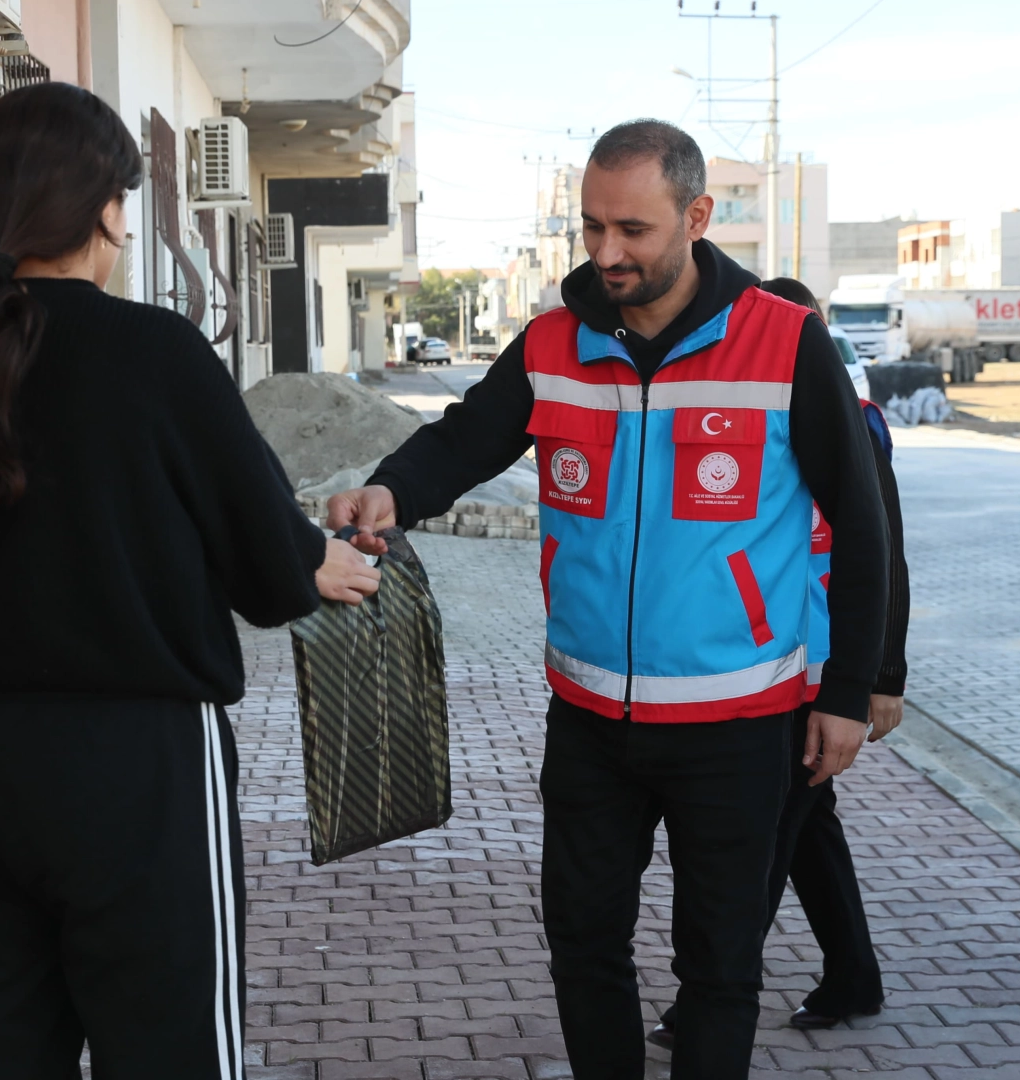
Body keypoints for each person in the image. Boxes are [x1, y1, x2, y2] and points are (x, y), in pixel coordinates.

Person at [327, 120, 888, 1080]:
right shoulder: (554, 341)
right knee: (583, 946)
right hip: (589, 720)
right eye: (591, 227)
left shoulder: (784, 341)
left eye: (632, 229)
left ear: (698, 216)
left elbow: (866, 526)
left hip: (740, 720)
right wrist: (392, 490)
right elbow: (464, 441)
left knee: (719, 967)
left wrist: (851, 691)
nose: (607, 252)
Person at [0, 82, 377, 1079]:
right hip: (136, 773)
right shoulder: (155, 352)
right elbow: (266, 563)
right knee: (170, 1055)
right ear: (106, 210)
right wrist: (320, 560)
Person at [648, 276, 911, 1048]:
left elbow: (884, 550)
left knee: (765, 837)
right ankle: (853, 976)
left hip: (824, 668)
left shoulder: (856, 423)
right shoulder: (760, 411)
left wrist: (880, 678)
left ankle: (710, 997)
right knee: (805, 822)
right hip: (770, 658)